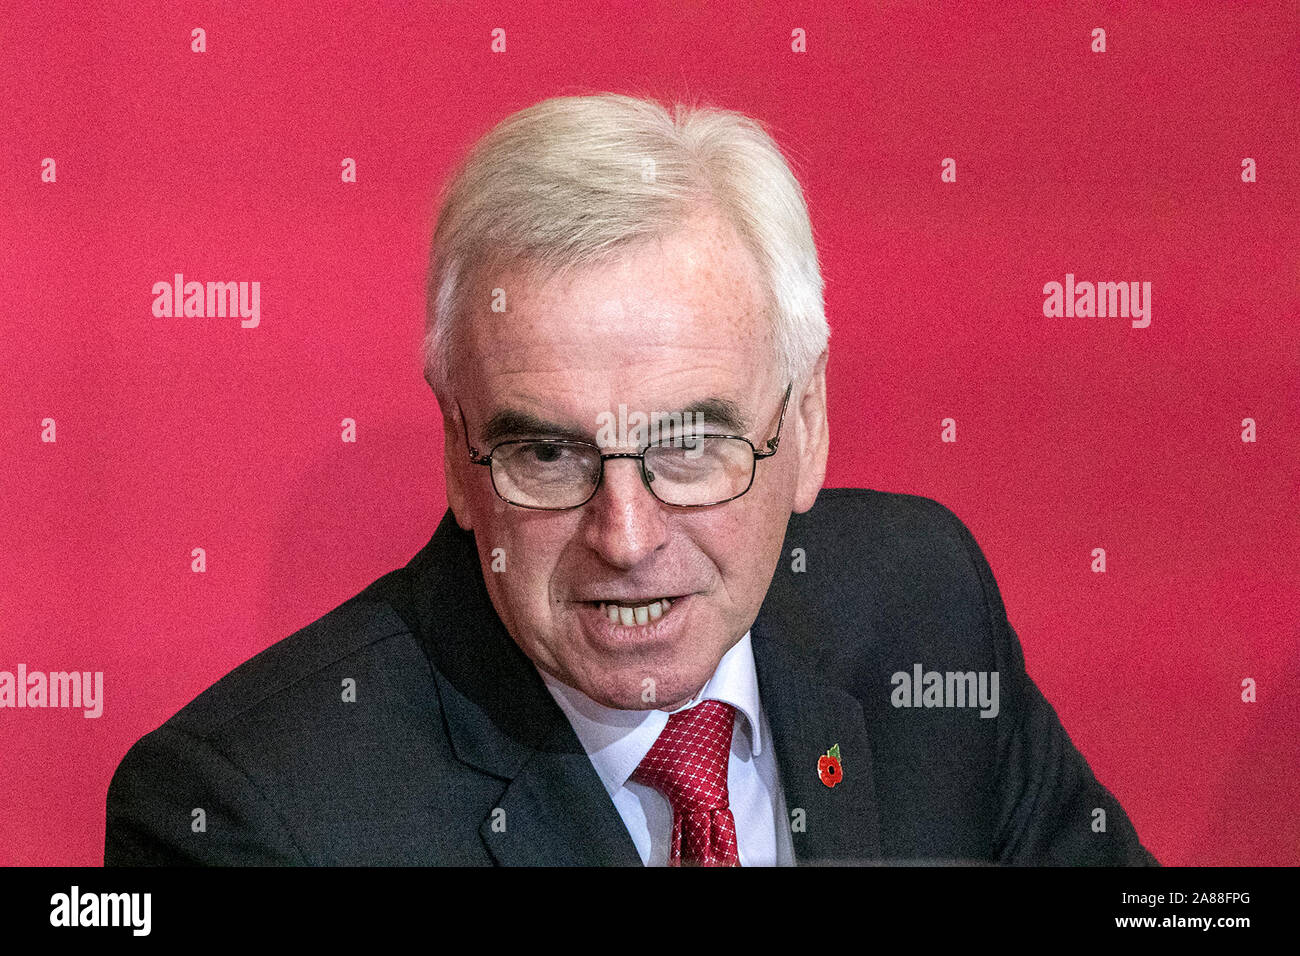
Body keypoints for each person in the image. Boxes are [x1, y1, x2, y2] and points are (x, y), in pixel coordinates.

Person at [105, 92, 1157, 866]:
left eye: (690, 444)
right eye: (548, 454)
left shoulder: (921, 608)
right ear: (459, 453)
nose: (625, 533)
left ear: (806, 423)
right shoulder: (254, 815)